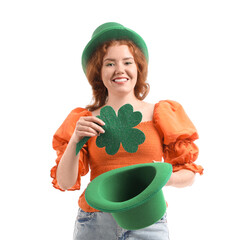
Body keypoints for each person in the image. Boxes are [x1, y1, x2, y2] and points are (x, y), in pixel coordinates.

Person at [50, 22, 204, 240]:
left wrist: (162, 178)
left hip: (148, 220)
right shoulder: (84, 120)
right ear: (99, 72)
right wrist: (75, 139)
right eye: (109, 63)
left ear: (138, 67)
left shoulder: (162, 113)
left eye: (127, 62)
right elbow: (65, 182)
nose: (119, 69)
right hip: (95, 222)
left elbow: (188, 175)